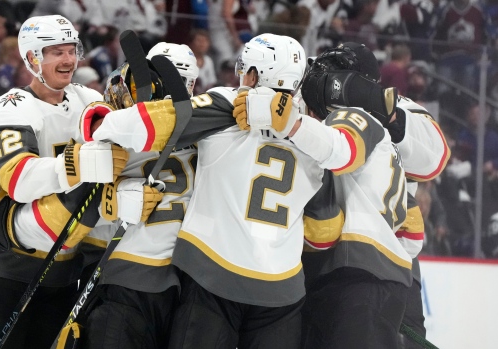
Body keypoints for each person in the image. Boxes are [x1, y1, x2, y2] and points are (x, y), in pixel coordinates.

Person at [83, 33, 342, 349]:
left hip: (214, 277)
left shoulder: (229, 103)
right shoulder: (312, 133)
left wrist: (101, 124)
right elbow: (324, 232)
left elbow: (154, 125)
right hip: (283, 290)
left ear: (253, 74)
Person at [0, 15, 162, 349]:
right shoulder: (11, 107)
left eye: (72, 50)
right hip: (2, 264)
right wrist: (76, 162)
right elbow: (18, 180)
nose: (68, 60)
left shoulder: (88, 98)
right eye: (56, 52)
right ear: (31, 58)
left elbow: (116, 156)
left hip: (61, 272)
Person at [235, 41, 413, 348]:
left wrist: (290, 122)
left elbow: (344, 152)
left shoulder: (356, 117)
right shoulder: (387, 148)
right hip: (371, 281)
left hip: (357, 278)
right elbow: (414, 239)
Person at [295, 42, 449, 348]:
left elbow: (436, 156)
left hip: (378, 250)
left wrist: (379, 108)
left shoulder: (396, 107)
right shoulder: (310, 106)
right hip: (317, 252)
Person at [60, 42, 199, 349]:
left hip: (123, 275)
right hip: (186, 285)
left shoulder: (123, 125)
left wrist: (112, 198)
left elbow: (80, 185)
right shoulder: (207, 131)